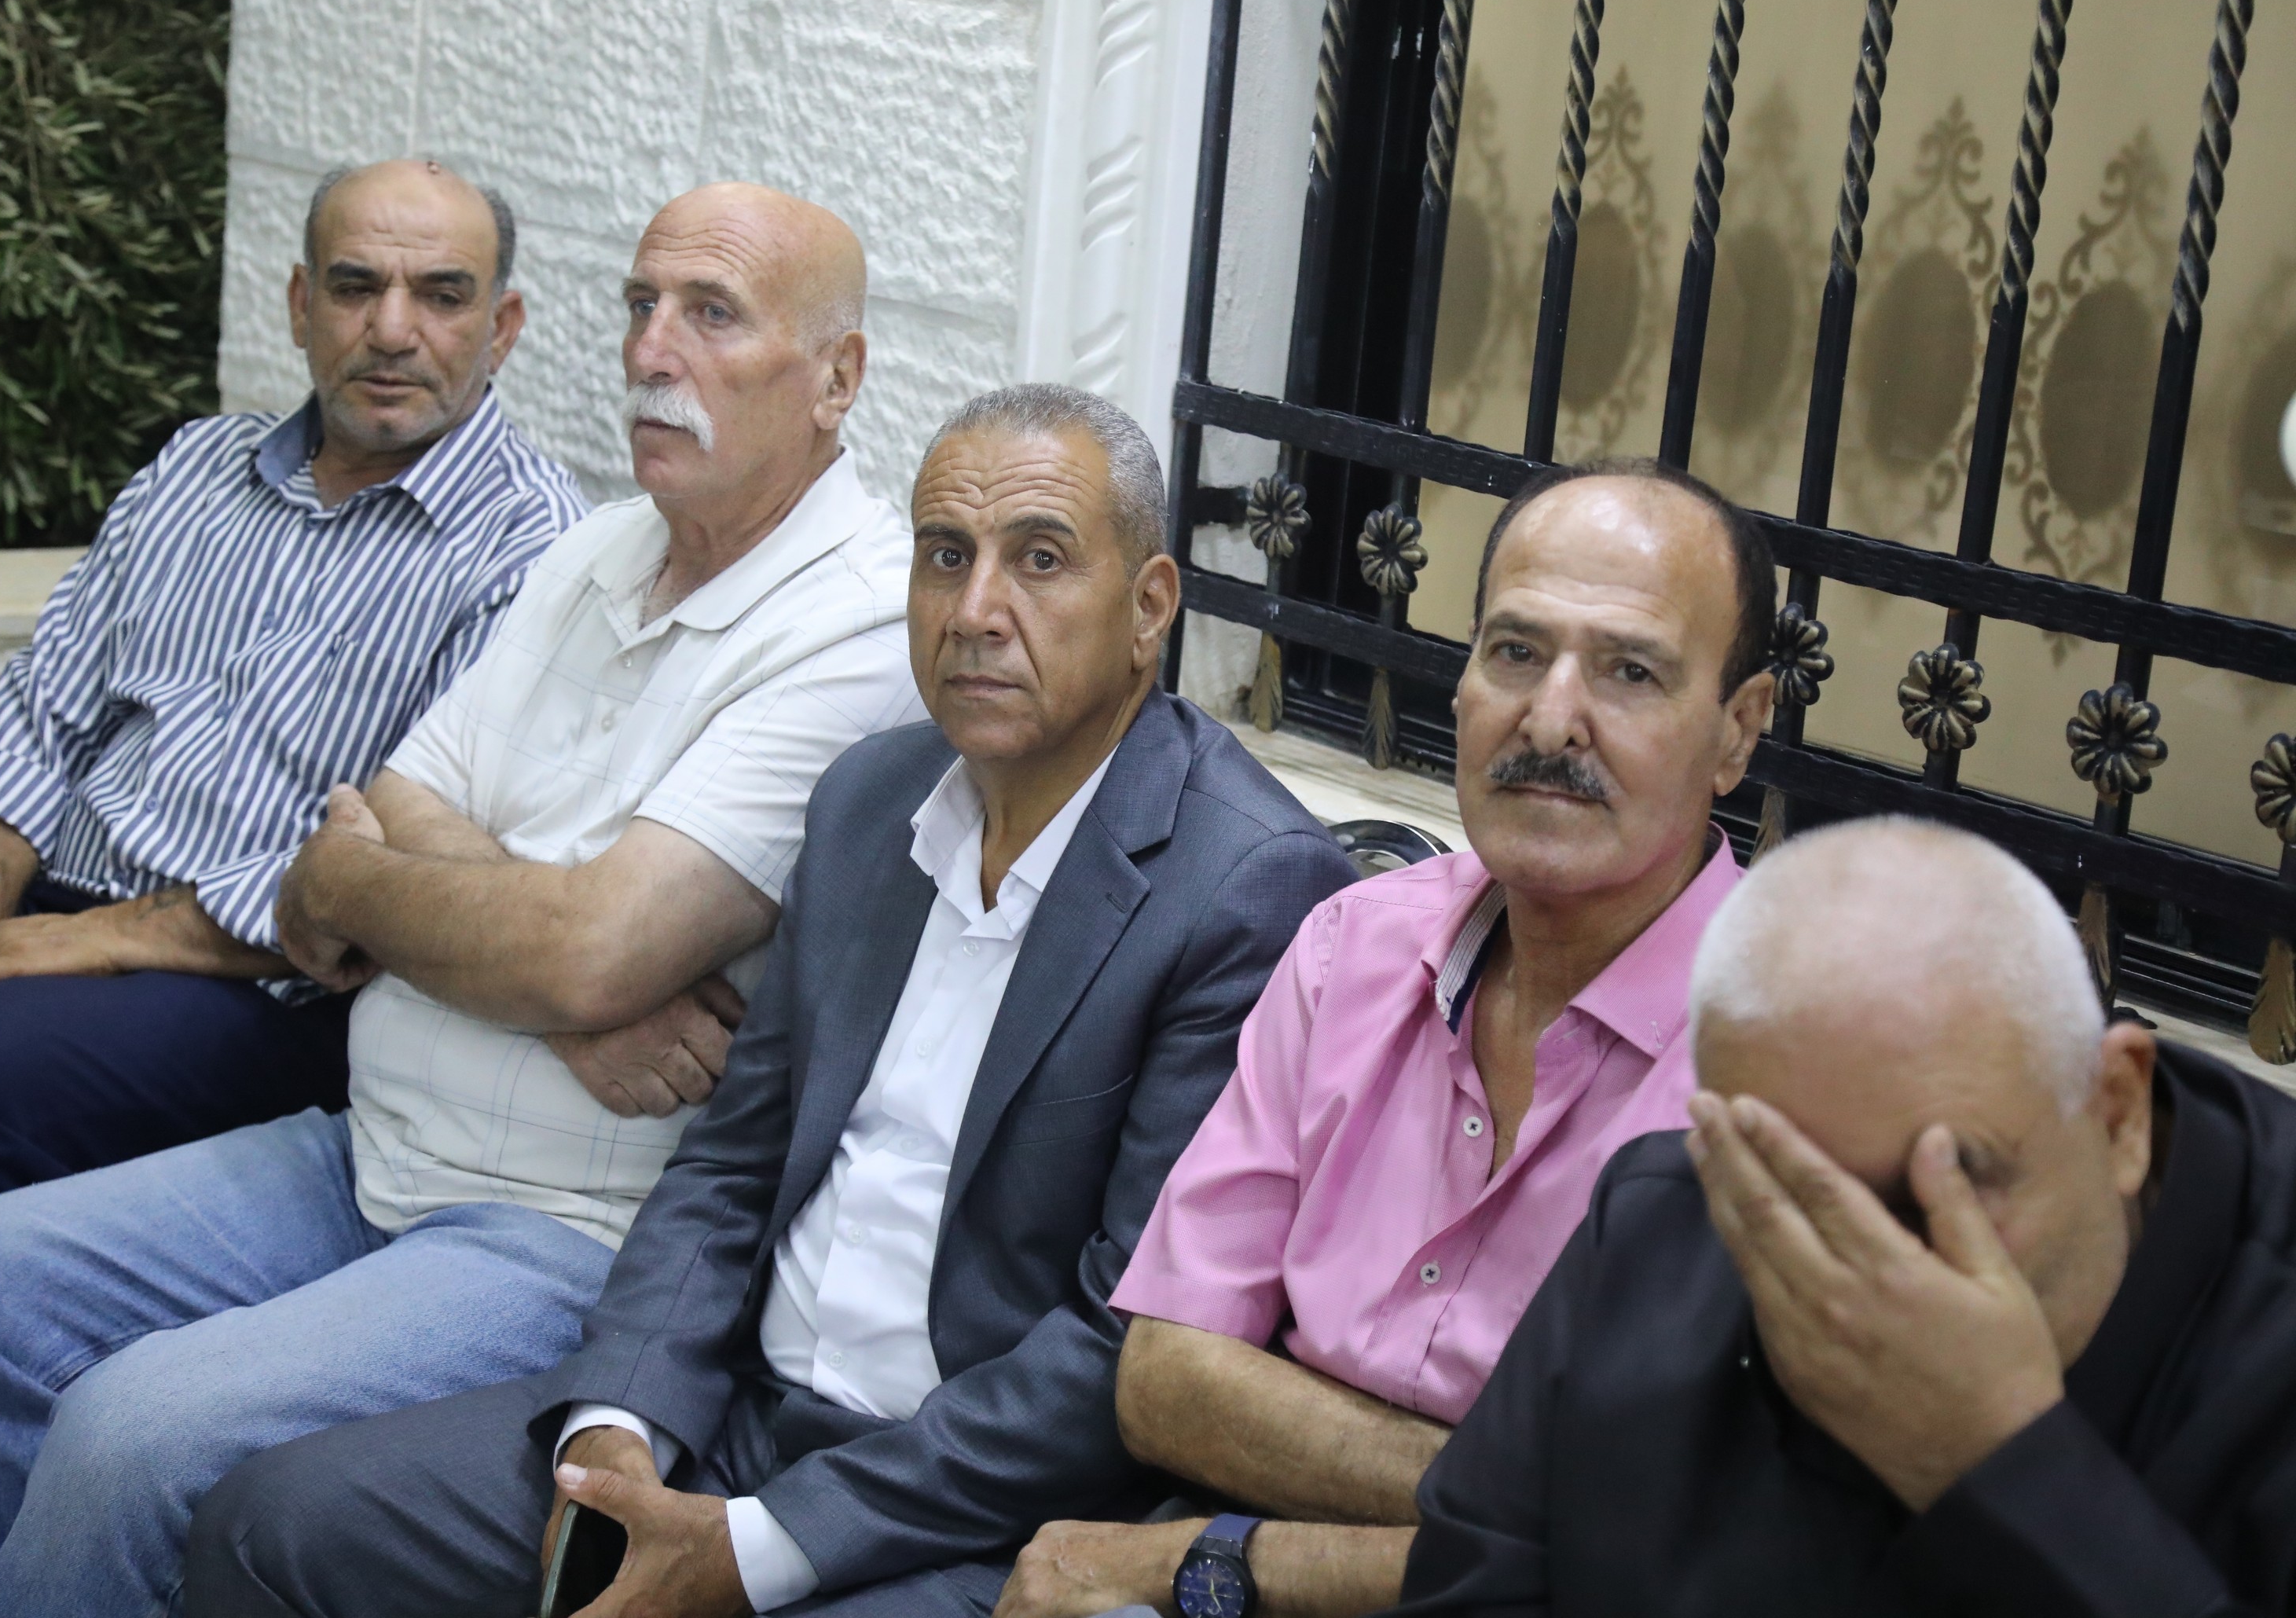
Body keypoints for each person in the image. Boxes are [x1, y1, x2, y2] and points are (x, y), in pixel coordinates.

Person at [0, 182, 925, 1618]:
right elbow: (377, 829)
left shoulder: (860, 624)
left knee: (132, 1432)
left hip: (567, 1229)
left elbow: (582, 944)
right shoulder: (601, 548)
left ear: (838, 378)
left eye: (711, 315)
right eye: (640, 305)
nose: (648, 352)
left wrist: (403, 892)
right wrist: (481, 917)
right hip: (369, 1151)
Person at [178, 383, 1360, 1618]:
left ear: (1150, 607)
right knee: (273, 1529)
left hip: (969, 1517)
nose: (975, 612)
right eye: (944, 556)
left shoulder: (1243, 887)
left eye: (1041, 560)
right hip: (734, 1422)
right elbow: (732, 1165)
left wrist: (757, 1547)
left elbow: (1122, 1341)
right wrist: (620, 1423)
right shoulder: (868, 801)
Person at [0, 157, 587, 1618]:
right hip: (59, 911)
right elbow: (40, 715)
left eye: (442, 295)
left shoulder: (533, 547)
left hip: (269, 979)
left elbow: (385, 863)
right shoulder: (197, 468)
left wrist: (72, 950)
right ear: (298, 304)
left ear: (502, 327)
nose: (394, 328)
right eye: (356, 286)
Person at [996, 458, 1777, 1618]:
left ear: (1737, 731)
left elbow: (1683, 1564)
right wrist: (1536, 1514)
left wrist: (1224, 1558)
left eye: (1630, 672)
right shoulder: (1353, 946)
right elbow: (1164, 1381)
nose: (1550, 719)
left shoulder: (1791, 1070)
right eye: (1515, 652)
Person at [1389, 816, 2296, 1616]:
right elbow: (1469, 1584)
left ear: (2117, 1113)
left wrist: (2007, 1466)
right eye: (1802, 1195)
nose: (1869, 1284)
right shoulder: (1670, 1220)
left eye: (1947, 1187)